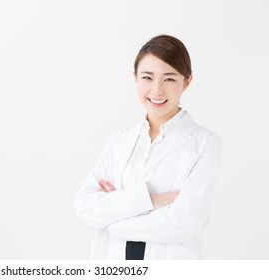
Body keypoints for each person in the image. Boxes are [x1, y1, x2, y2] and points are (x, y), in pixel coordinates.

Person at [74, 34, 222, 260]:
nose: (156, 90)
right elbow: (85, 206)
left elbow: (183, 222)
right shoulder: (119, 142)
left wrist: (114, 222)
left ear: (187, 82)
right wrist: (153, 200)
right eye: (147, 77)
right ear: (135, 78)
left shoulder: (205, 144)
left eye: (169, 79)